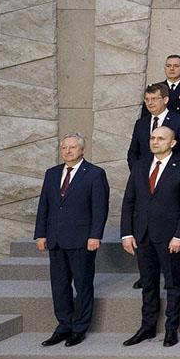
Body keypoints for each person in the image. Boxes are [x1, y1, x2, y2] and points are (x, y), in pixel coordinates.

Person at [120, 125, 180, 347]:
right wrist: (127, 233)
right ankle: (147, 327)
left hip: (170, 236)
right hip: (142, 235)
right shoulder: (140, 165)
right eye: (153, 137)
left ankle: (171, 328)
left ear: (172, 143)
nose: (155, 141)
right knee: (148, 284)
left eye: (161, 138)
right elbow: (129, 201)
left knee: (173, 283)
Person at [34, 133, 109, 347]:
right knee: (59, 286)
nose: (67, 151)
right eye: (64, 147)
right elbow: (44, 207)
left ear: (82, 150)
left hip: (81, 239)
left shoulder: (95, 174)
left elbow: (99, 208)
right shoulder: (52, 174)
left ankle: (79, 328)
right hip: (55, 239)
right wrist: (40, 234)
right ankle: (63, 325)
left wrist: (95, 235)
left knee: (83, 284)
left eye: (72, 147)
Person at [139, 54, 180, 159]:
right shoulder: (154, 89)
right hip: (157, 142)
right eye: (169, 66)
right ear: (165, 68)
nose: (172, 68)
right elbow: (145, 117)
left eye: (176, 66)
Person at [127, 83, 180, 167]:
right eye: (147, 99)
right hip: (143, 174)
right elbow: (133, 152)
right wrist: (137, 171)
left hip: (170, 174)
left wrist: (165, 169)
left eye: (154, 99)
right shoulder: (141, 123)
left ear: (165, 100)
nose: (150, 103)